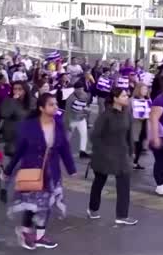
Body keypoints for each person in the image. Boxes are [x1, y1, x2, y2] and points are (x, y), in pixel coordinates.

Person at [4, 93, 77, 250]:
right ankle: (24, 231)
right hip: (32, 170)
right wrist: (9, 170)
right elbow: (20, 150)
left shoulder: (58, 125)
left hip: (51, 172)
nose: (55, 107)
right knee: (32, 205)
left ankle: (40, 236)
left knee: (46, 204)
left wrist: (71, 168)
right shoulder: (29, 126)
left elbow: (64, 148)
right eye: (51, 104)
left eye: (56, 104)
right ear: (41, 108)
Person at [87, 88, 138, 225]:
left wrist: (132, 152)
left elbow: (129, 135)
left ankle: (122, 216)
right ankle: (93, 208)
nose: (126, 97)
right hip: (105, 155)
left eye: (127, 95)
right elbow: (94, 135)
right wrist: (103, 150)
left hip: (121, 154)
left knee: (124, 183)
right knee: (99, 181)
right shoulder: (106, 115)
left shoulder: (127, 114)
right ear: (115, 98)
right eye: (123, 95)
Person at [0, 81, 32, 157]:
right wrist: (13, 100)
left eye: (20, 89)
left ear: (25, 91)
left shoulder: (30, 102)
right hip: (12, 138)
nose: (17, 91)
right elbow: (4, 114)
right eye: (15, 89)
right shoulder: (8, 101)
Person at [65, 80, 91, 159]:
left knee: (84, 135)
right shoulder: (70, 98)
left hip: (81, 118)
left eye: (82, 89)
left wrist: (85, 112)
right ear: (75, 89)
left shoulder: (85, 95)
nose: (80, 91)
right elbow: (67, 111)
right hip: (72, 119)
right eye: (79, 89)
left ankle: (82, 151)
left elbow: (84, 106)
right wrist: (67, 123)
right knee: (68, 137)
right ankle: (64, 151)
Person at [131, 82, 151, 170]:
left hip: (144, 125)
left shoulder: (148, 100)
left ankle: (135, 162)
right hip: (135, 125)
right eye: (143, 89)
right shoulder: (132, 100)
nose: (145, 91)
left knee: (140, 144)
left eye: (146, 89)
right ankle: (130, 161)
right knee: (133, 144)